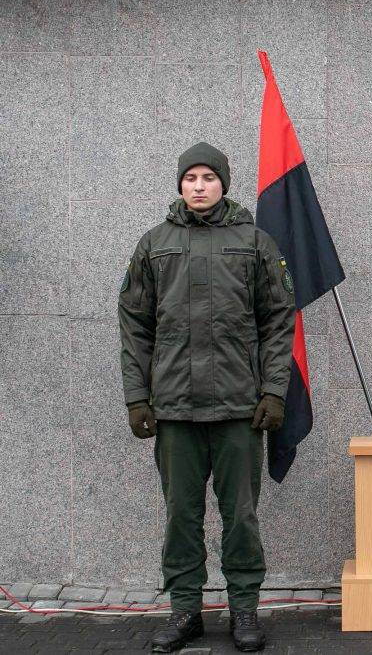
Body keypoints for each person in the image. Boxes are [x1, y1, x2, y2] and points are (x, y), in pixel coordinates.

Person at [118, 142, 296, 653]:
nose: (199, 185)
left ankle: (243, 608)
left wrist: (273, 391)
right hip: (174, 407)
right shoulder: (154, 245)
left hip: (240, 407)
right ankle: (185, 611)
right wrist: (137, 397)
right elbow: (134, 325)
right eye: (190, 177)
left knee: (240, 513)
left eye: (208, 177)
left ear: (224, 183)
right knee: (181, 514)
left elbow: (278, 321)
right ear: (180, 184)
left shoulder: (255, 243)